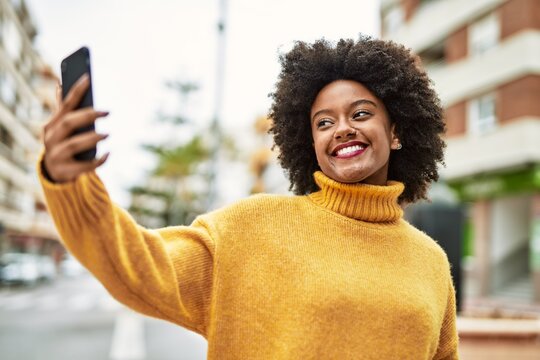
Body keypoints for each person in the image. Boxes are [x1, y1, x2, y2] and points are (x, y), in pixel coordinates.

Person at [39, 36, 458, 359]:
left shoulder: (431, 262)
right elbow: (137, 265)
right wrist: (70, 182)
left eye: (361, 114)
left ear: (397, 132)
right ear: (308, 141)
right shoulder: (252, 227)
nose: (342, 129)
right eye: (323, 122)